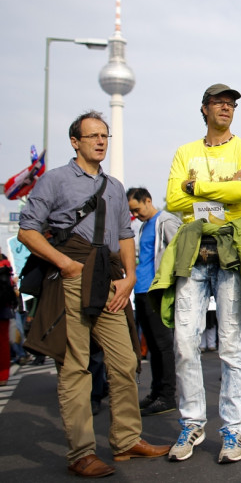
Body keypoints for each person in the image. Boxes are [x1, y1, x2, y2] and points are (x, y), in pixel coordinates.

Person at [18, 111, 169, 477]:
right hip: (71, 275)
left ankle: (127, 440)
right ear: (75, 141)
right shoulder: (54, 181)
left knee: (126, 360)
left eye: (105, 136)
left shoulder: (115, 186)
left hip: (110, 277)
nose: (101, 141)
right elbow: (27, 231)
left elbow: (125, 236)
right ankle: (81, 453)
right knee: (75, 368)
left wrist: (130, 276)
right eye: (93, 136)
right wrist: (66, 265)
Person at [163, 83, 241, 463]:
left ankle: (234, 431)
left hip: (230, 249)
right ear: (203, 109)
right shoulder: (184, 151)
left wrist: (196, 186)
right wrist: (225, 186)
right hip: (192, 249)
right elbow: (173, 200)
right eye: (218, 102)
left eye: (231, 103)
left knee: (231, 345)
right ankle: (192, 423)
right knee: (184, 343)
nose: (226, 108)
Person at [127, 187, 181, 415]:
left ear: (148, 200)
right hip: (141, 290)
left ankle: (167, 395)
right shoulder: (144, 226)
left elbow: (180, 253)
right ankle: (156, 392)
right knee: (152, 346)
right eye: (132, 212)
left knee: (163, 345)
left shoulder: (166, 221)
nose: (136, 215)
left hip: (157, 291)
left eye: (137, 209)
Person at [0, 251, 16, 386]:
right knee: (3, 342)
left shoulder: (3, 267)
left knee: (3, 342)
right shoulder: (5, 268)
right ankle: (3, 376)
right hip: (4, 309)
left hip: (2, 309)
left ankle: (3, 374)